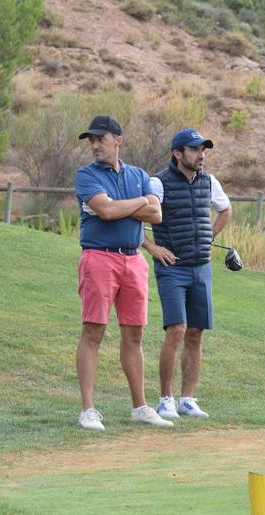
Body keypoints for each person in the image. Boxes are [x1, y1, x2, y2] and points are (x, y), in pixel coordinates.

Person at [74, 115, 174, 431]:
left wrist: (126, 205)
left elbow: (156, 214)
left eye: (100, 138)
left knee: (135, 335)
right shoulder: (85, 175)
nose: (94, 145)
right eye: (91, 140)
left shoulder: (139, 175)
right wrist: (140, 203)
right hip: (98, 259)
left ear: (118, 139)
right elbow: (105, 210)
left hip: (133, 261)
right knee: (94, 332)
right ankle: (88, 410)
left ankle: (140, 407)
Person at [142, 128, 232, 420]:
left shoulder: (209, 181)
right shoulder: (158, 182)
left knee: (196, 333)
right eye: (194, 150)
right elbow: (136, 218)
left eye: (203, 150)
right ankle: (165, 399)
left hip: (201, 266)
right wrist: (153, 248)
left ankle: (187, 400)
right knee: (177, 329)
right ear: (177, 153)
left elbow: (225, 210)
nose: (201, 155)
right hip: (172, 268)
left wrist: (209, 237)